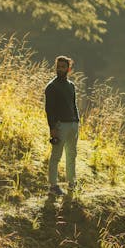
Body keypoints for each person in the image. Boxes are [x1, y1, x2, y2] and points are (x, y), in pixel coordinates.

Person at [45, 55, 79, 196]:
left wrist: (77, 121)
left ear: (68, 69)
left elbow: (73, 105)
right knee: (56, 156)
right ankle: (53, 186)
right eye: (58, 66)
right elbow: (49, 110)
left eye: (63, 67)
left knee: (72, 155)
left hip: (73, 125)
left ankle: (72, 184)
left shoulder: (71, 86)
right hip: (60, 126)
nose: (60, 69)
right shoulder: (51, 87)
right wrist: (52, 128)